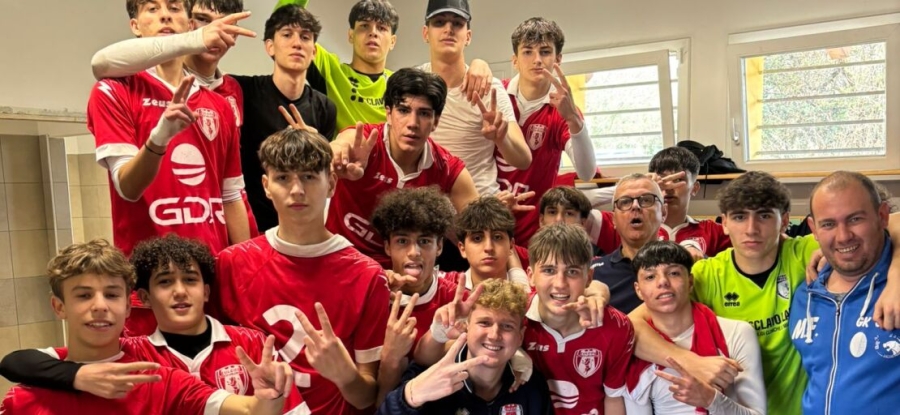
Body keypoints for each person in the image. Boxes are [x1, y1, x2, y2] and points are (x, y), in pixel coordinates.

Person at [91, 4, 338, 233]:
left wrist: (318, 148)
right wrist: (192, 41)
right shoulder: (119, 89)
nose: (214, 30)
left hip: (231, 238)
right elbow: (101, 63)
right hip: (151, 243)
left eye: (174, 8)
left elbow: (231, 193)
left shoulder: (228, 94)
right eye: (203, 20)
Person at [0, 235, 307, 413]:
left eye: (111, 294)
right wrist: (77, 376)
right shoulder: (25, 397)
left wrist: (270, 400)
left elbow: (251, 409)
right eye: (83, 295)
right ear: (59, 307)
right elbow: (14, 361)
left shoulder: (163, 381)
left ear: (127, 306)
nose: (100, 306)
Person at [88, 0, 251, 336]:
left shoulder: (219, 105)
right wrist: (159, 138)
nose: (164, 14)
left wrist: (247, 270)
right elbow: (127, 187)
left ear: (189, 23)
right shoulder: (114, 90)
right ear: (135, 26)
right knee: (154, 372)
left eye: (175, 8)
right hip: (149, 286)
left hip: (211, 281)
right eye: (152, 8)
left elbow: (232, 196)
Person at [212, 128, 391, 414]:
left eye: (308, 176)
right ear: (266, 185)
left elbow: (365, 397)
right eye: (283, 178)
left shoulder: (367, 276)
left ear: (331, 183)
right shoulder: (231, 263)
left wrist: (345, 375)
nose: (297, 190)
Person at [311, 67, 477, 268]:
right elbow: (339, 145)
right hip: (341, 262)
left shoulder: (447, 167)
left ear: (436, 121)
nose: (413, 123)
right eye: (403, 110)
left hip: (404, 274)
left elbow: (480, 230)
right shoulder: (364, 143)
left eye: (424, 113)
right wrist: (331, 156)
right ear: (388, 113)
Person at [791, 171, 900, 414]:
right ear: (814, 229)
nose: (843, 236)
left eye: (855, 219)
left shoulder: (895, 288)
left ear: (883, 216)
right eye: (828, 224)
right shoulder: (805, 295)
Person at [625, 241, 766, 415]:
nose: (663, 282)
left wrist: (710, 399)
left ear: (690, 282)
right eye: (650, 277)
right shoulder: (630, 348)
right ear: (638, 290)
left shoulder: (736, 333)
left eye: (674, 273)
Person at [378, 279, 552, 414]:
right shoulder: (431, 374)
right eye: (484, 323)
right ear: (466, 326)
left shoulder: (532, 387)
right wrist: (411, 396)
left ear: (520, 336)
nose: (494, 335)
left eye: (507, 326)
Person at [498, 17, 596, 246]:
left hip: (535, 232)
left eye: (545, 51)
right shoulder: (497, 94)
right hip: (490, 221)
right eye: (527, 52)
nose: (537, 60)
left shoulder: (563, 109)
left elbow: (587, 172)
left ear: (558, 59)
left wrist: (572, 118)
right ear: (515, 60)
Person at [420, 0, 532, 196]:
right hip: (429, 207)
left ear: (468, 36)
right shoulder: (413, 84)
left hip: (480, 206)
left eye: (457, 23)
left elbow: (524, 160)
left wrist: (501, 138)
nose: (448, 29)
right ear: (425, 34)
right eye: (439, 22)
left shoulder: (490, 88)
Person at [524, 224, 634, 414]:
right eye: (549, 270)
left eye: (572, 271)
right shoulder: (513, 318)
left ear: (589, 277)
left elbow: (613, 398)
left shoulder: (617, 327)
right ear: (531, 276)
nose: (560, 284)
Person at [592, 173, 667, 313]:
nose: (635, 206)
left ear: (663, 213)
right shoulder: (592, 273)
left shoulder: (686, 264)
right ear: (614, 219)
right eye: (625, 202)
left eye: (646, 200)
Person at [648, 146, 730, 259]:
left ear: (695, 188)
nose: (669, 188)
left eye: (678, 180)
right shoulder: (635, 229)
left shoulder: (713, 232)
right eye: (662, 180)